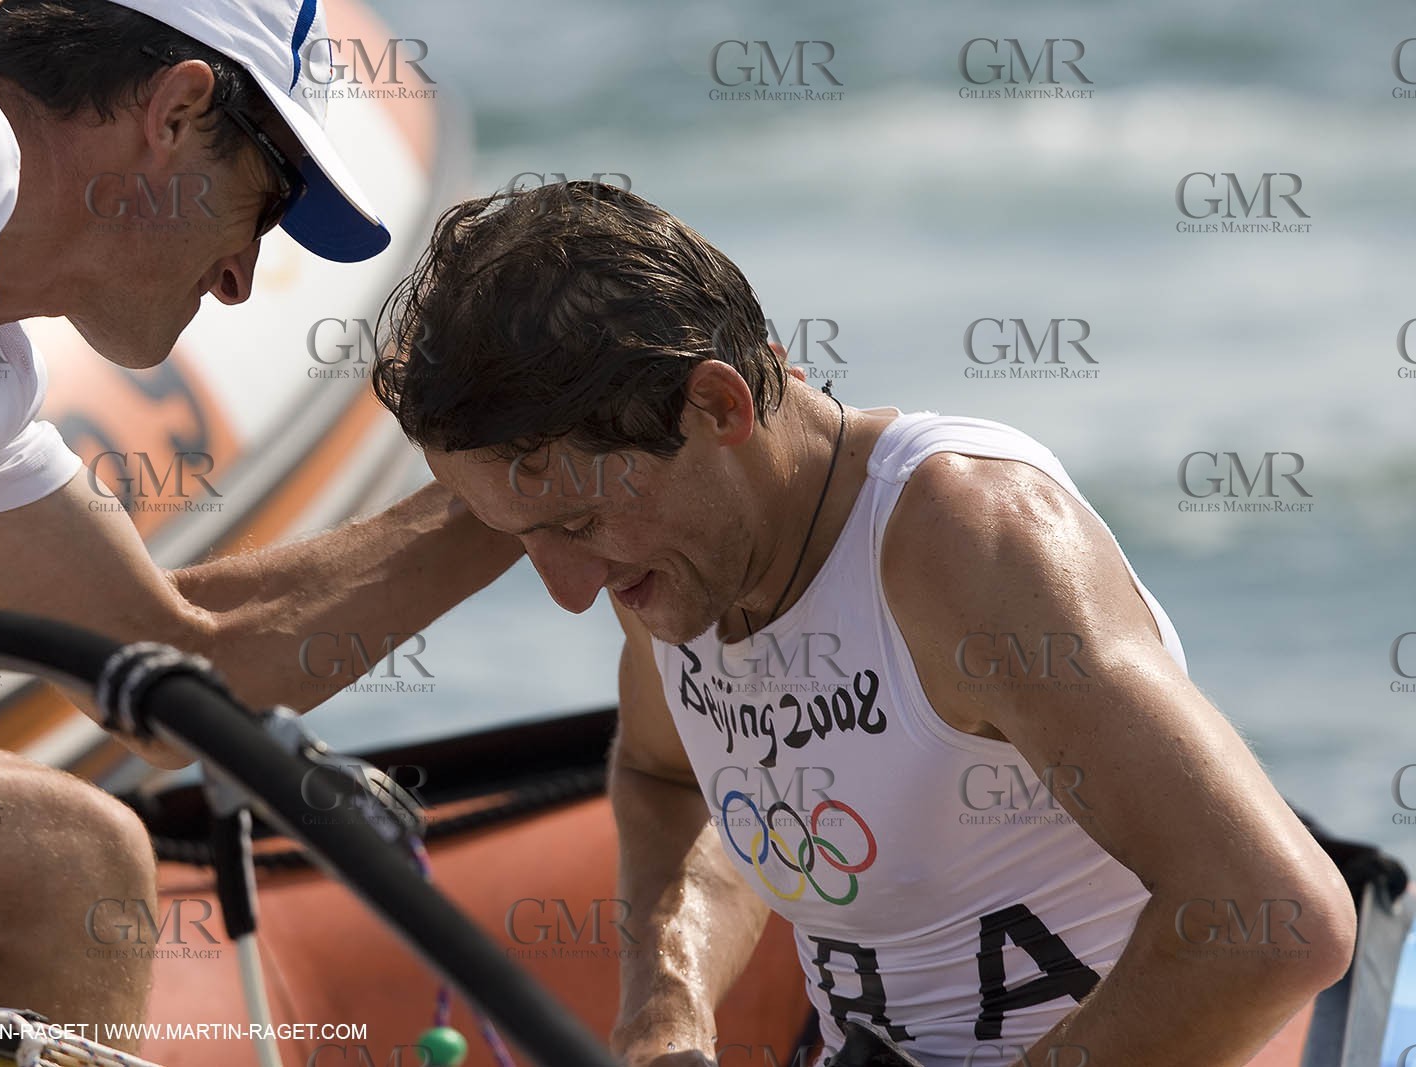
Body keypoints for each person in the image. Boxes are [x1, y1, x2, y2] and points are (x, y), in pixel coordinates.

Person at [371, 182, 1358, 1067]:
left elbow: (1276, 921)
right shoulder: (676, 565)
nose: (569, 589)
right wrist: (666, 1007)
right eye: (529, 539)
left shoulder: (968, 544)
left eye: (577, 524)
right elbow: (666, 772)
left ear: (716, 406)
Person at [0, 0, 520, 1040]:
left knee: (73, 863)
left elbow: (177, 665)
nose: (240, 279)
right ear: (180, 110)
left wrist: (516, 498)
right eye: (265, 203)